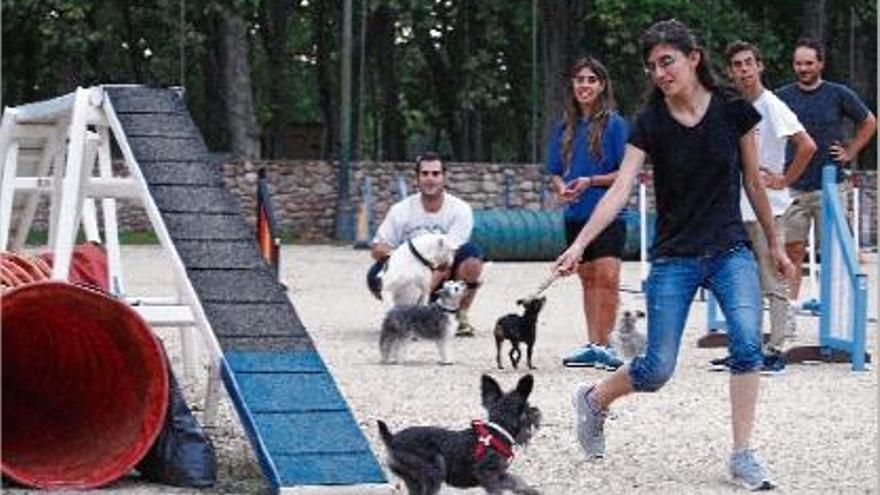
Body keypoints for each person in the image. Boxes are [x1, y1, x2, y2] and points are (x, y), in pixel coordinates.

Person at [554, 19, 794, 491]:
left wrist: (774, 244)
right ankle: (595, 400)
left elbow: (752, 181)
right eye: (652, 66)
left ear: (694, 58)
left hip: (729, 248)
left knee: (748, 344)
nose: (660, 72)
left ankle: (742, 454)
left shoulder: (732, 109)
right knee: (656, 368)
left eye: (668, 61)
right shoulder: (650, 123)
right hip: (675, 256)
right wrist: (579, 245)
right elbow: (621, 186)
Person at [724, 40, 816, 373]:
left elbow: (806, 145)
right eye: (737, 64)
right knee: (739, 280)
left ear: (760, 66)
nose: (744, 70)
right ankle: (745, 346)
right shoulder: (731, 105)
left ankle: (777, 347)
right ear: (730, 71)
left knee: (771, 277)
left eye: (749, 63)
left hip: (767, 207)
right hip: (736, 207)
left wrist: (784, 178)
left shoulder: (771, 106)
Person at [776, 38, 877, 300]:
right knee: (791, 250)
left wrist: (851, 151)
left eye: (809, 63)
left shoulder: (838, 93)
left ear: (821, 63)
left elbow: (868, 122)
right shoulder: (782, 97)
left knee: (833, 251)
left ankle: (835, 307)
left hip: (830, 185)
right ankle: (790, 307)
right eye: (798, 64)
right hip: (794, 186)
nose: (803, 68)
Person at [546, 56, 629, 370]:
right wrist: (561, 188)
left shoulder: (616, 125)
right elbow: (555, 170)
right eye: (580, 79)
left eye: (591, 80)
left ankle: (608, 345)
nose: (584, 85)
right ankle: (593, 344)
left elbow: (625, 172)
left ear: (602, 85)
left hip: (608, 214)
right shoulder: (564, 127)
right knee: (588, 279)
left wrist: (591, 181)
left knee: (608, 277)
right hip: (575, 214)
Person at [367, 151, 484, 336]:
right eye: (425, 174)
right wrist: (401, 259)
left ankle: (459, 316)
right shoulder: (401, 210)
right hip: (409, 275)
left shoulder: (461, 210)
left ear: (444, 177)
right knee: (375, 275)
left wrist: (423, 295)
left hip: (445, 276)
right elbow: (377, 248)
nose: (430, 179)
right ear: (417, 178)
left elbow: (446, 260)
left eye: (436, 174)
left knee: (473, 258)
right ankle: (404, 313)